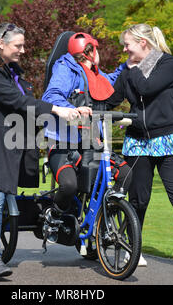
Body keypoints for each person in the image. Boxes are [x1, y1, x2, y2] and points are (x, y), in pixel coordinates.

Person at [0, 23, 81, 279]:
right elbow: (18, 102)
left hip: (4, 145)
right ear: (1, 44)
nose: (23, 50)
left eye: (23, 45)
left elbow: (24, 105)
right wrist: (56, 109)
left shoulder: (10, 71)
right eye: (18, 45)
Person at [106, 23, 173, 274]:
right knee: (138, 200)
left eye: (128, 44)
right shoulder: (126, 71)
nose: (124, 50)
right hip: (137, 143)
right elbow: (111, 100)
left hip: (167, 139)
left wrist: (131, 70)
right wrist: (86, 104)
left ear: (142, 43)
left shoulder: (167, 64)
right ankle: (132, 249)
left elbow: (146, 87)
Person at [41, 32, 141, 259]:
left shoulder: (94, 73)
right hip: (64, 145)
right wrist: (71, 109)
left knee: (124, 173)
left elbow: (111, 82)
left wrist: (127, 65)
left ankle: (102, 218)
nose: (98, 53)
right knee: (68, 185)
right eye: (95, 49)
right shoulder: (65, 69)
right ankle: (54, 216)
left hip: (92, 144)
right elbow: (52, 94)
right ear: (89, 51)